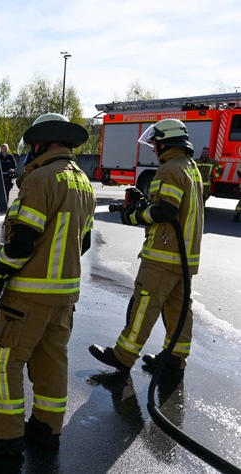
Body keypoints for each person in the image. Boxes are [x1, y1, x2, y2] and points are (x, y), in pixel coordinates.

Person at [0, 113, 95, 462]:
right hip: (65, 294)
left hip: (28, 294)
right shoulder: (83, 183)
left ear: (41, 142)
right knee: (51, 360)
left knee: (4, 360)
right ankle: (46, 429)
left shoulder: (40, 179)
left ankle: (6, 438)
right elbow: (82, 243)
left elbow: (23, 241)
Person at [89, 118, 204, 377]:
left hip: (163, 255)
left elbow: (164, 211)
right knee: (179, 308)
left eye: (155, 143)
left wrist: (135, 215)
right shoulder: (190, 168)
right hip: (185, 256)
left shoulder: (169, 169)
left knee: (145, 303)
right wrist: (144, 205)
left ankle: (123, 355)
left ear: (166, 142)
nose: (154, 148)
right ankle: (175, 358)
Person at [0, 144, 17, 215]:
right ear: (1, 149)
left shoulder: (10, 157)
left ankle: (3, 210)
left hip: (7, 178)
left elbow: (15, 166)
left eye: (5, 149)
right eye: (3, 148)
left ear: (7, 149)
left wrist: (12, 169)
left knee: (6, 194)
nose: (4, 150)